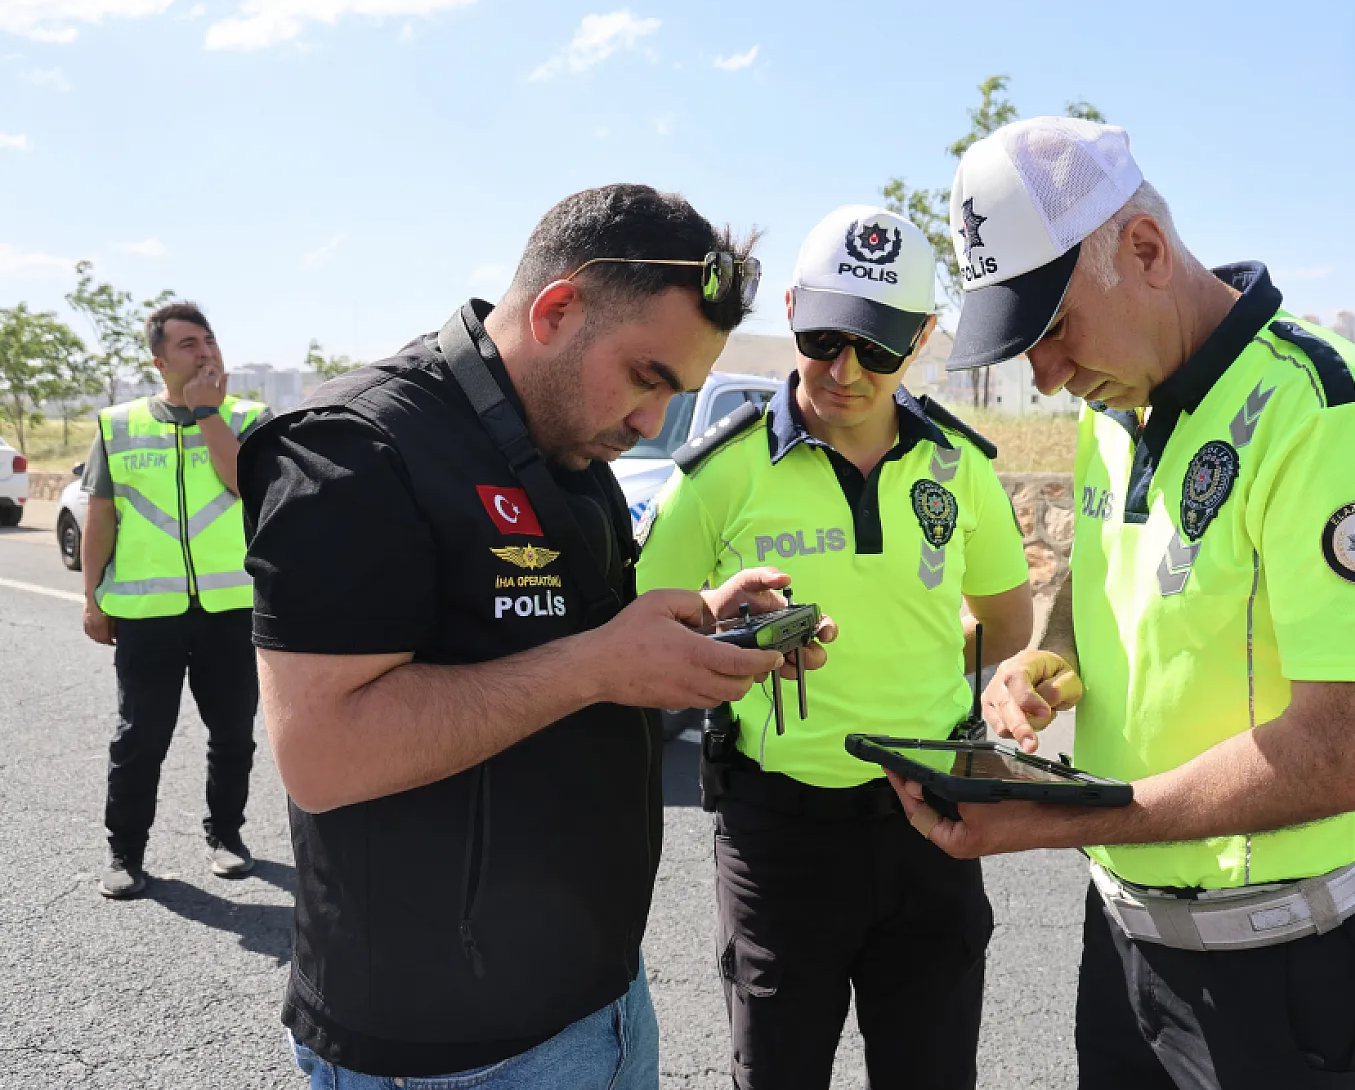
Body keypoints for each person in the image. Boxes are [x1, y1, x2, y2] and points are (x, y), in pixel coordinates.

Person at [881, 117, 1355, 1089]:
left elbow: (1347, 753)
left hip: (1287, 974)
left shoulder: (1326, 414)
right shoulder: (1116, 405)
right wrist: (1045, 657)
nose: (1043, 376)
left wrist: (1052, 818)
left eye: (1051, 327)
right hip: (1128, 948)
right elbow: (1104, 574)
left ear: (1141, 248)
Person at [238, 184, 832, 1090]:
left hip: (602, 997)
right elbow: (322, 750)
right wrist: (596, 663)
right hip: (451, 1055)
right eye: (647, 378)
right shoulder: (354, 448)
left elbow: (556, 638)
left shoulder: (565, 443)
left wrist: (697, 622)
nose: (652, 424)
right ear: (558, 309)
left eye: (678, 393)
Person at [635, 204, 1034, 1089]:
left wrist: (926, 660)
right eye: (823, 337)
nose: (845, 370)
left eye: (881, 346)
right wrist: (728, 642)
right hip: (780, 832)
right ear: (789, 310)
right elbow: (639, 637)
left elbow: (1006, 625)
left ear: (927, 336)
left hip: (931, 824)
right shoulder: (716, 474)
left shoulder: (958, 468)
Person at [82, 301, 269, 899]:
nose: (205, 351)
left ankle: (226, 837)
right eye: (189, 344)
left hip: (230, 609)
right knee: (140, 737)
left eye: (209, 339)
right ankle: (125, 854)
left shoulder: (249, 417)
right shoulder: (119, 425)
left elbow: (248, 487)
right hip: (147, 614)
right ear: (159, 359)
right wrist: (92, 599)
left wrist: (209, 415)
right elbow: (101, 517)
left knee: (234, 732)